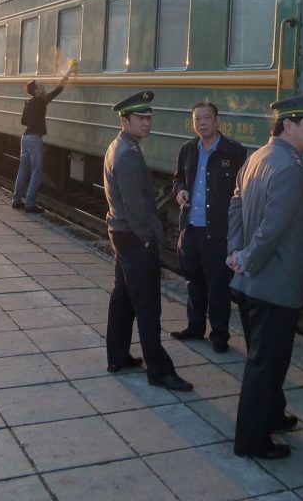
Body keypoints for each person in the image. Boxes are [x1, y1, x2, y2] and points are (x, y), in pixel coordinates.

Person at [227, 91, 303, 459]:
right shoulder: (289, 168)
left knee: (266, 360)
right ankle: (251, 441)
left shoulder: (257, 157)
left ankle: (272, 415)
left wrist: (235, 252)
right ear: (289, 125)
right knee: (265, 365)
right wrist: (247, 256)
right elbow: (274, 229)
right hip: (275, 285)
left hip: (253, 283)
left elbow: (235, 205)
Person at [104, 90, 193, 392]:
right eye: (141, 118)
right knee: (147, 305)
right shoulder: (127, 154)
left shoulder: (122, 146)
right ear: (125, 120)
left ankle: (117, 356)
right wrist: (146, 238)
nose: (147, 122)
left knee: (123, 297)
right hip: (132, 236)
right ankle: (159, 369)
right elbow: (135, 206)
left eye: (149, 117)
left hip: (121, 232)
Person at [171, 102, 247, 353]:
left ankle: (219, 335)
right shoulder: (187, 150)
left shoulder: (234, 152)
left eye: (206, 118)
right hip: (190, 229)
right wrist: (180, 190)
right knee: (194, 281)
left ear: (217, 120)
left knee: (217, 285)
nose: (201, 123)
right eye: (197, 119)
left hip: (217, 231)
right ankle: (195, 327)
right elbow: (178, 178)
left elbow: (241, 194)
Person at [12, 66, 72, 213]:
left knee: (23, 170)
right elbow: (58, 90)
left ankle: (16, 201)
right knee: (36, 172)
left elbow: (23, 122)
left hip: (25, 138)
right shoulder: (41, 100)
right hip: (34, 139)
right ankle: (30, 204)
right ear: (36, 91)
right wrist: (68, 73)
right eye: (40, 85)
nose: (43, 86)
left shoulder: (29, 102)